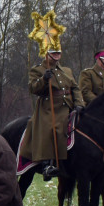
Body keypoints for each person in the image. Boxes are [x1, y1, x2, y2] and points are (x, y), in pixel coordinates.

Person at [18, 48, 84, 179]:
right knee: (50, 128)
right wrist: (43, 79)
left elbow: (75, 88)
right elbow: (33, 88)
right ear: (46, 54)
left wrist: (79, 103)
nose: (57, 55)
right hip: (49, 108)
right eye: (54, 53)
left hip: (69, 106)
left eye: (58, 52)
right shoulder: (37, 70)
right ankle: (47, 164)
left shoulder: (67, 70)